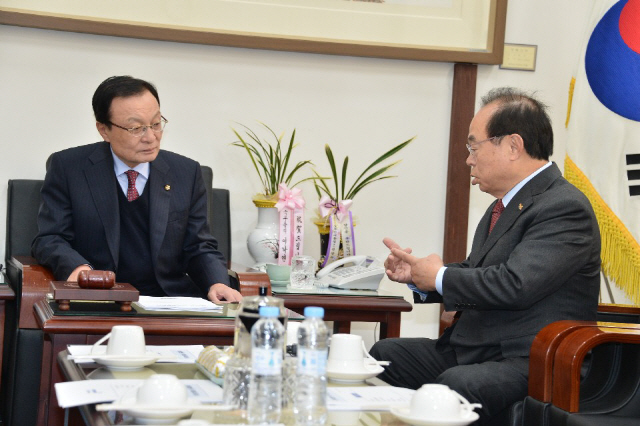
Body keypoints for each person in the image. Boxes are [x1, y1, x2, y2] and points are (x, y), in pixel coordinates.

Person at [370, 87, 601, 424]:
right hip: (477, 349)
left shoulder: (564, 207)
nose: (468, 159)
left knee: (454, 388)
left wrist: (438, 276)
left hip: (530, 359)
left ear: (512, 146)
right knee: (384, 356)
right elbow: (480, 270)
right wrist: (420, 275)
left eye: (473, 147)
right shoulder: (502, 205)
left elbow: (515, 283)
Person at [32, 76, 242, 303]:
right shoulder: (69, 167)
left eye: (156, 123)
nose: (150, 137)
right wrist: (80, 270)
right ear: (104, 129)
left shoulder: (186, 172)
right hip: (100, 299)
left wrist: (217, 282)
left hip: (168, 301)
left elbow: (199, 246)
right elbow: (50, 238)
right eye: (135, 128)